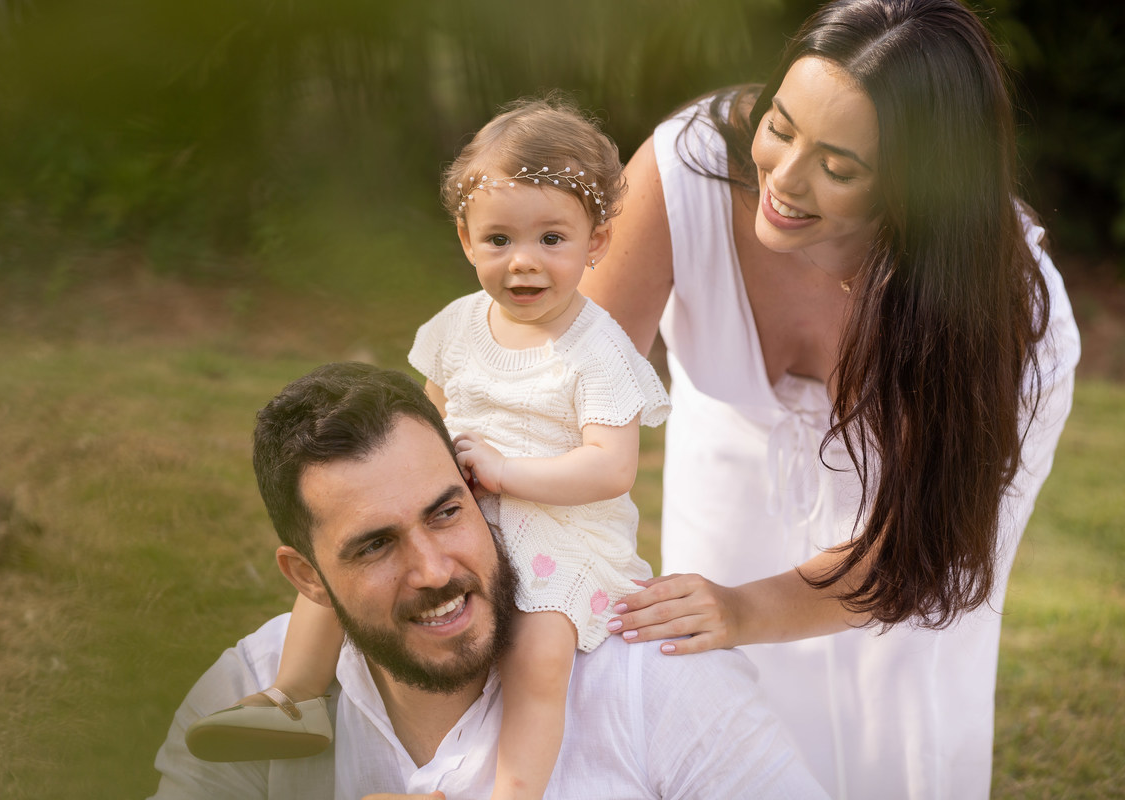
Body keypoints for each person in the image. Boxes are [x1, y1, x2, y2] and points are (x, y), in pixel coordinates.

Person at [581, 0, 1081, 797]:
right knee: (718, 714)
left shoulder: (1009, 315)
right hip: (729, 470)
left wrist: (746, 608)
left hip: (911, 543)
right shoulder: (687, 172)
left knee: (894, 726)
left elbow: (924, 555)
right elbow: (570, 387)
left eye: (839, 168)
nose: (782, 177)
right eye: (780, 125)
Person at [185, 97, 670, 799]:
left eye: (551, 241)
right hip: (457, 506)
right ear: (467, 239)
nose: (523, 263)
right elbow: (425, 424)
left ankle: (513, 790)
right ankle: (294, 698)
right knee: (341, 563)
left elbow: (611, 468)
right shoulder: (458, 325)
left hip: (559, 532)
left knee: (539, 657)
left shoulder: (598, 351)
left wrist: (506, 473)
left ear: (596, 242)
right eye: (499, 240)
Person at [148, 362, 827, 798]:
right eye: (377, 545)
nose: (435, 570)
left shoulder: (660, 677)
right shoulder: (246, 694)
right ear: (309, 578)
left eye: (446, 513)